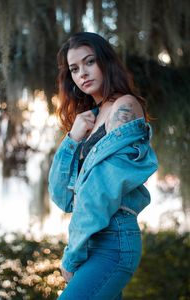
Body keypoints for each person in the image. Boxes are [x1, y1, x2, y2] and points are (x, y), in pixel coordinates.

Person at [48, 32, 158, 300]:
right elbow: (63, 196)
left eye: (89, 62)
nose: (82, 73)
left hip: (113, 240)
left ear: (106, 62)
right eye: (74, 69)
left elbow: (101, 189)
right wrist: (72, 139)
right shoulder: (89, 121)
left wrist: (71, 256)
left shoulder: (125, 107)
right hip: (93, 240)